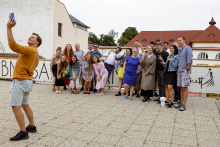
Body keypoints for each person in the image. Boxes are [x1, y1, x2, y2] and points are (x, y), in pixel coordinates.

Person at [7, 18, 41, 141]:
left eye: (33, 38)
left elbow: (13, 46)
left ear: (37, 43)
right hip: (27, 82)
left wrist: (9, 28)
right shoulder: (35, 52)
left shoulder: (30, 50)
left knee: (16, 107)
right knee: (25, 105)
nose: (30, 38)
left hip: (20, 82)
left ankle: (23, 132)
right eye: (30, 36)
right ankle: (32, 126)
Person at [176, 36, 193, 111]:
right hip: (179, 70)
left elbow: (189, 59)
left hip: (185, 70)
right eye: (178, 41)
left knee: (184, 87)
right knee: (180, 87)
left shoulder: (187, 48)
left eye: (180, 40)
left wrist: (187, 69)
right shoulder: (180, 49)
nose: (179, 42)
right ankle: (181, 102)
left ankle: (184, 104)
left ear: (184, 40)